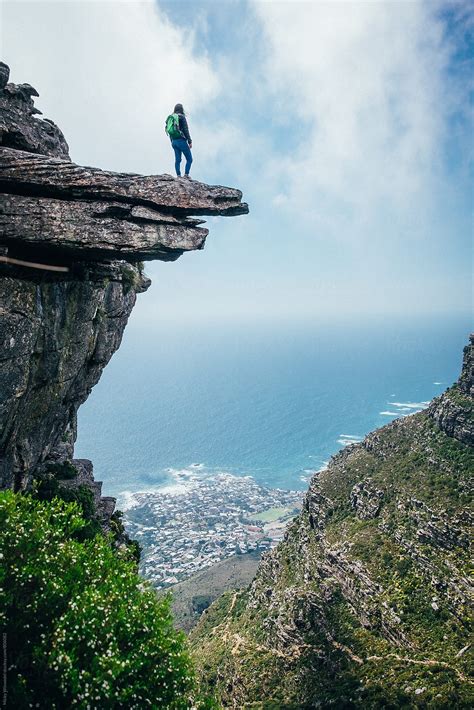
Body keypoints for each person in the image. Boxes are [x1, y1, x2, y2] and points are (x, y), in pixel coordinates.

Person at [166, 103, 193, 178]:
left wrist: (172, 142)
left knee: (178, 160)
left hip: (174, 142)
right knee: (189, 159)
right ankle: (186, 175)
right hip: (181, 140)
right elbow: (185, 130)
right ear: (181, 109)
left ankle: (178, 176)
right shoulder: (182, 117)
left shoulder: (171, 118)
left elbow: (170, 131)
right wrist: (189, 141)